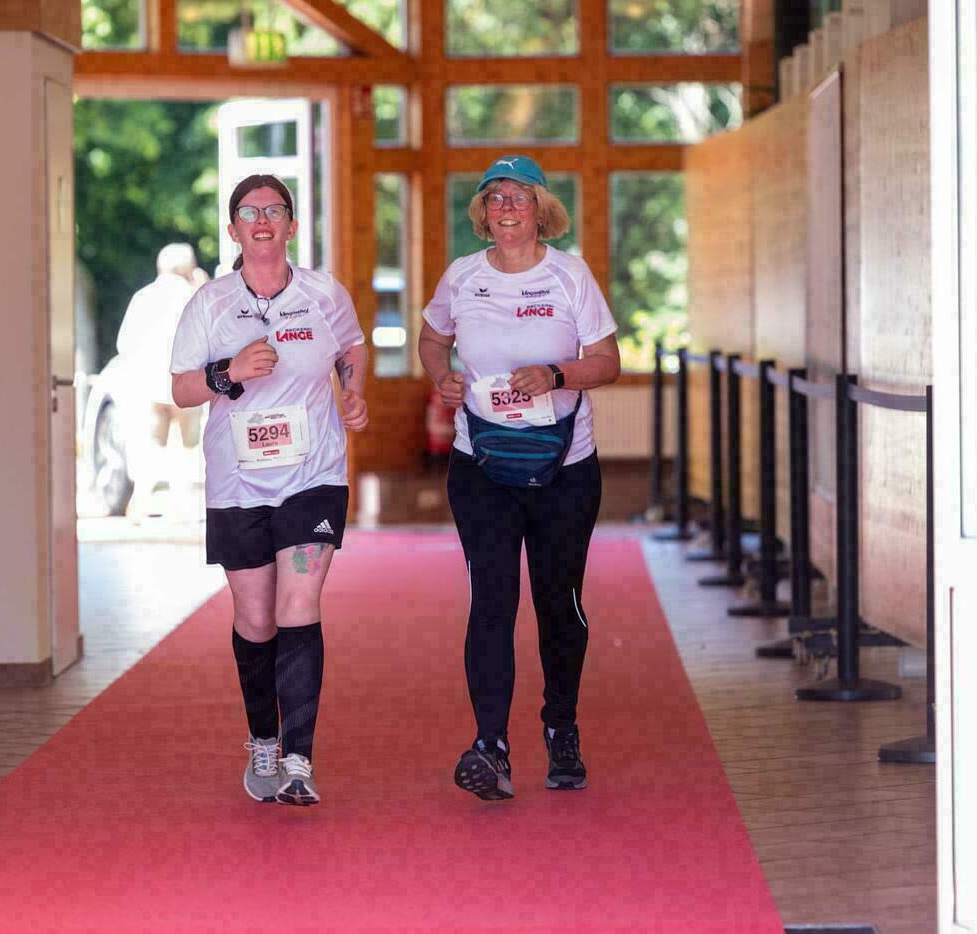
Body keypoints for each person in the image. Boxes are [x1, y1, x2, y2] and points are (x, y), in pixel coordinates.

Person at [417, 155, 621, 800]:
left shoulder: (569, 275)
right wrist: (442, 377)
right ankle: (491, 746)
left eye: (519, 197)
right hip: (482, 467)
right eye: (495, 198)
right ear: (483, 212)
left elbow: (608, 361)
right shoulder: (462, 276)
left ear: (541, 210)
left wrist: (557, 374)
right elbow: (431, 338)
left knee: (558, 602)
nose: (506, 208)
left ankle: (561, 727)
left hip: (565, 468)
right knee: (492, 601)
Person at [169, 175, 368, 806]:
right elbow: (181, 389)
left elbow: (351, 348)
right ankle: (264, 740)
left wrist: (352, 391)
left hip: (313, 476)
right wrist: (229, 372)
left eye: (274, 210)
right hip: (238, 483)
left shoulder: (324, 294)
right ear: (233, 230)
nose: (262, 220)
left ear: (291, 226)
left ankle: (300, 759)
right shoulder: (209, 304)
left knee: (298, 603)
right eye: (249, 212)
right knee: (256, 618)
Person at [116, 243, 206, 515]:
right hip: (186, 382)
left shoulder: (143, 297)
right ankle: (184, 506)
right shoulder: (194, 296)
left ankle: (141, 502)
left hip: (149, 384)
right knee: (187, 448)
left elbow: (124, 343)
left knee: (151, 445)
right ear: (189, 267)